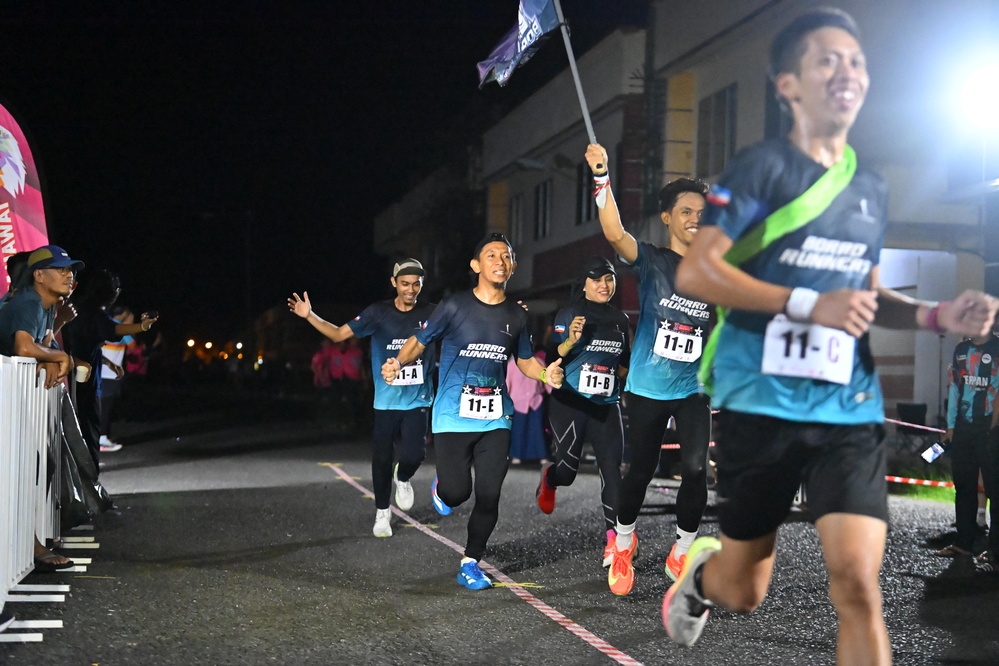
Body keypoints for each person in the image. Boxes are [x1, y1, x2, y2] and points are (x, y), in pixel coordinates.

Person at [661, 9, 999, 663]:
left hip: (847, 408)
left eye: (856, 61)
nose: (847, 72)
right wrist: (807, 303)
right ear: (787, 84)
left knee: (858, 587)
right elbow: (696, 272)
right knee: (745, 589)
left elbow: (866, 299)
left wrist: (936, 316)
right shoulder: (761, 168)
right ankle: (703, 578)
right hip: (760, 404)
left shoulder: (867, 187)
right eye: (827, 60)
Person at [381, 234, 564, 590]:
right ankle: (443, 490)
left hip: (496, 417)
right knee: (457, 493)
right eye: (491, 255)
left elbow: (524, 360)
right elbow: (420, 341)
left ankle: (471, 562)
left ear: (513, 266)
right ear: (476, 265)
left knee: (490, 494)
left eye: (506, 256)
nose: (499, 261)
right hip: (453, 416)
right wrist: (397, 362)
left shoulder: (517, 314)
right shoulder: (454, 306)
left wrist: (546, 374)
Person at [584, 146, 713, 595]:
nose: (695, 219)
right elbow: (614, 232)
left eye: (702, 213)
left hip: (693, 388)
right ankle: (623, 541)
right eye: (686, 211)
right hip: (648, 388)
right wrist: (602, 175)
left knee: (696, 469)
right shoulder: (652, 261)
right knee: (640, 470)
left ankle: (683, 549)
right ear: (667, 217)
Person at [290, 258, 437, 538]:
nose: (410, 289)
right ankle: (382, 512)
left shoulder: (432, 313)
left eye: (416, 284)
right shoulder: (378, 313)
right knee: (381, 457)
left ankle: (403, 476)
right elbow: (337, 334)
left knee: (415, 454)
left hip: (418, 398)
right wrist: (310, 315)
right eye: (404, 283)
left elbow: (463, 326)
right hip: (385, 402)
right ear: (393, 283)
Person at [537, 255, 631, 568]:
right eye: (597, 279)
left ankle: (614, 541)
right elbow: (551, 355)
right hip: (570, 402)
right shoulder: (571, 312)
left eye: (609, 279)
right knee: (568, 472)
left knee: (612, 470)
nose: (604, 285)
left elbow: (624, 362)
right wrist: (570, 342)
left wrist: (622, 382)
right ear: (585, 284)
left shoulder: (620, 319)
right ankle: (550, 478)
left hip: (606, 405)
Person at [0, 245, 81, 571]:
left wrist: (48, 357)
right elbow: (23, 347)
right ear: (38, 275)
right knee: (22, 472)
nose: (68, 274)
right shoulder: (28, 302)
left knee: (35, 468)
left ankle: (29, 541)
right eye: (60, 269)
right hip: (7, 401)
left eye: (70, 269)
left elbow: (40, 345)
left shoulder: (46, 305)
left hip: (12, 401)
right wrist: (58, 357)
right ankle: (28, 544)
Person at [63, 269, 157, 462]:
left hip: (82, 372)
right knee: (88, 421)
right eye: (114, 289)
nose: (116, 293)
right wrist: (141, 326)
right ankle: (87, 467)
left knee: (83, 418)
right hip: (85, 376)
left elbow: (92, 344)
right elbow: (114, 330)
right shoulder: (95, 313)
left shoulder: (83, 310)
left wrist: (109, 363)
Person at [935, 323, 999, 563]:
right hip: (963, 428)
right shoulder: (961, 350)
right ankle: (964, 543)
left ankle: (995, 550)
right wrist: (951, 427)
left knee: (995, 490)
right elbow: (955, 388)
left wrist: (993, 429)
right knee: (963, 487)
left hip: (989, 429)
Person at [98, 305, 134, 452]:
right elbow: (133, 346)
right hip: (111, 374)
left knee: (98, 407)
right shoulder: (121, 328)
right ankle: (102, 440)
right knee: (106, 408)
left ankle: (100, 438)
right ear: (124, 315)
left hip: (98, 372)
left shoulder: (103, 325)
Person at [506, 351, 550, 464]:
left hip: (536, 401)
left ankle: (542, 455)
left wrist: (552, 390)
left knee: (538, 429)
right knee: (518, 430)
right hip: (518, 402)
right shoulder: (512, 364)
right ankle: (517, 455)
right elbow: (507, 383)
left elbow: (547, 380)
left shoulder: (539, 362)